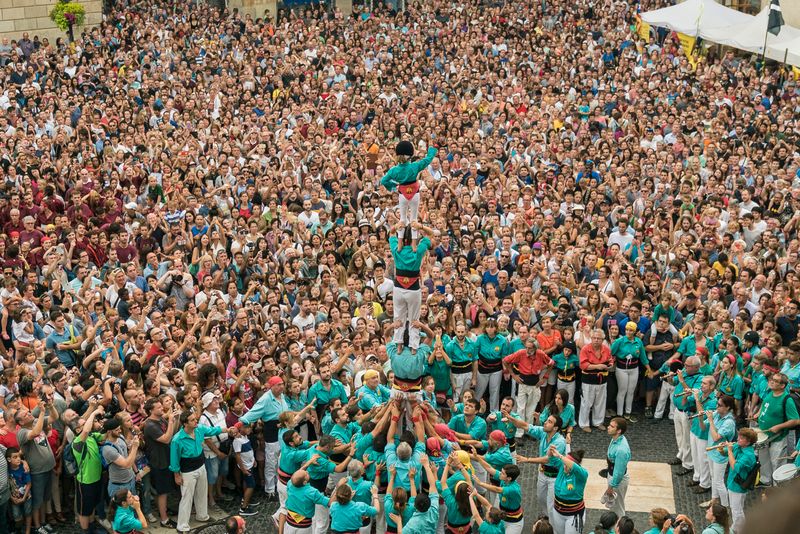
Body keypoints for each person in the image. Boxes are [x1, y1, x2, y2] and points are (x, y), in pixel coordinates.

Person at [169, 410, 237, 534]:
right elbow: (174, 460)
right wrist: (176, 475)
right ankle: (182, 526)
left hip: (201, 466)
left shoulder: (199, 429)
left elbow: (213, 430)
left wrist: (227, 430)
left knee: (202, 492)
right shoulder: (177, 439)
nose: (196, 421)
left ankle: (202, 516)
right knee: (187, 497)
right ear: (185, 423)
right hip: (187, 470)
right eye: (192, 420)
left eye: (195, 419)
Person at [388, 222, 433, 352]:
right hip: (413, 289)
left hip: (399, 288)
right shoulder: (418, 250)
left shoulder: (397, 248)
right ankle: (414, 347)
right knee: (414, 318)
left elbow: (390, 233)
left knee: (398, 317)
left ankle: (399, 345)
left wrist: (396, 227)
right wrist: (420, 226)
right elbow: (430, 234)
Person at [509, 413, 566, 513]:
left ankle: (551, 524)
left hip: (555, 476)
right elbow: (525, 425)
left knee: (551, 503)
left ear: (555, 428)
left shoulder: (560, 441)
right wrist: (510, 418)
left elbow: (547, 459)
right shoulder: (543, 432)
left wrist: (527, 459)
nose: (545, 422)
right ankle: (546, 516)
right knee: (540, 498)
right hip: (543, 472)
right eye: (547, 420)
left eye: (549, 422)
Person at [380, 143, 438, 241]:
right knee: (414, 219)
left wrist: (394, 187)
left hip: (402, 194)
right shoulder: (414, 166)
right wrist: (431, 150)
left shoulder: (394, 170)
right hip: (415, 194)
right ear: (410, 155)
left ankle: (400, 242)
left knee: (402, 219)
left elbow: (383, 181)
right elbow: (428, 160)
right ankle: (414, 244)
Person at [503, 336, 553, 437]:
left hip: (535, 384)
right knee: (521, 408)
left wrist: (545, 377)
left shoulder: (540, 354)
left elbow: (551, 363)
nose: (527, 350)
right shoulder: (521, 353)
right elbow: (505, 360)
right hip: (522, 383)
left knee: (531, 409)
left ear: (535, 348)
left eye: (530, 348)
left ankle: (529, 431)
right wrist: (513, 375)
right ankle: (520, 432)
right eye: (526, 347)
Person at [704, 395, 737, 509]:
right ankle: (714, 500)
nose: (716, 407)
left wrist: (711, 421)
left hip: (720, 454)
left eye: (719, 405)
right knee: (713, 477)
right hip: (712, 451)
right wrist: (700, 417)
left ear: (727, 407)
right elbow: (703, 426)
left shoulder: (729, 422)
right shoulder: (717, 414)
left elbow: (716, 437)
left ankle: (725, 506)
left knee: (719, 481)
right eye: (717, 404)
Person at [611, 322, 648, 421]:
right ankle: (619, 413)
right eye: (627, 329)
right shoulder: (620, 341)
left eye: (631, 330)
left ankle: (628, 412)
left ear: (635, 331)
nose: (628, 332)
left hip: (634, 368)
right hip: (622, 369)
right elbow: (611, 352)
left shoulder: (638, 341)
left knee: (631, 391)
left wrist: (649, 369)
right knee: (622, 390)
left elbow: (643, 357)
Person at [579, 329, 613, 432]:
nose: (596, 340)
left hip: (602, 380)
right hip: (588, 379)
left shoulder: (606, 349)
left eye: (599, 338)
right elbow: (583, 365)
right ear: (591, 338)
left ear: (603, 339)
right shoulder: (585, 349)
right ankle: (584, 424)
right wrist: (598, 366)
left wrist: (610, 365)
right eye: (594, 338)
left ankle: (598, 422)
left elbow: (611, 360)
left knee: (600, 402)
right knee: (586, 402)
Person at [725, 428, 758, 533]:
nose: (738, 439)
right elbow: (725, 453)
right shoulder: (739, 446)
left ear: (748, 442)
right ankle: (736, 528)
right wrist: (722, 449)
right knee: (736, 508)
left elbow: (735, 466)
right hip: (733, 483)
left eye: (742, 438)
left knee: (737, 510)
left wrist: (729, 450)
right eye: (739, 436)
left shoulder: (749, 455)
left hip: (738, 486)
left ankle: (739, 530)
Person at [550, 447, 588, 534]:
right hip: (558, 512)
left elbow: (575, 467)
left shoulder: (582, 475)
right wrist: (550, 452)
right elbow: (550, 460)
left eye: (566, 463)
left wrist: (560, 456)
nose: (564, 465)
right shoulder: (561, 469)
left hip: (574, 515)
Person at [281, 470, 330, 534]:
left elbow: (296, 477)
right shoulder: (312, 492)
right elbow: (329, 502)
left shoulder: (290, 484)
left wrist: (308, 463)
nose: (307, 472)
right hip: (304, 527)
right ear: (304, 482)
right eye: (306, 474)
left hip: (289, 524)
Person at [605, 417, 631, 518]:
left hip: (618, 480)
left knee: (618, 509)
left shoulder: (621, 449)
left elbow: (619, 472)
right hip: (612, 474)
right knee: (614, 507)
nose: (608, 427)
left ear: (619, 431)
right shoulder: (616, 438)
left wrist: (611, 486)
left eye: (611, 426)